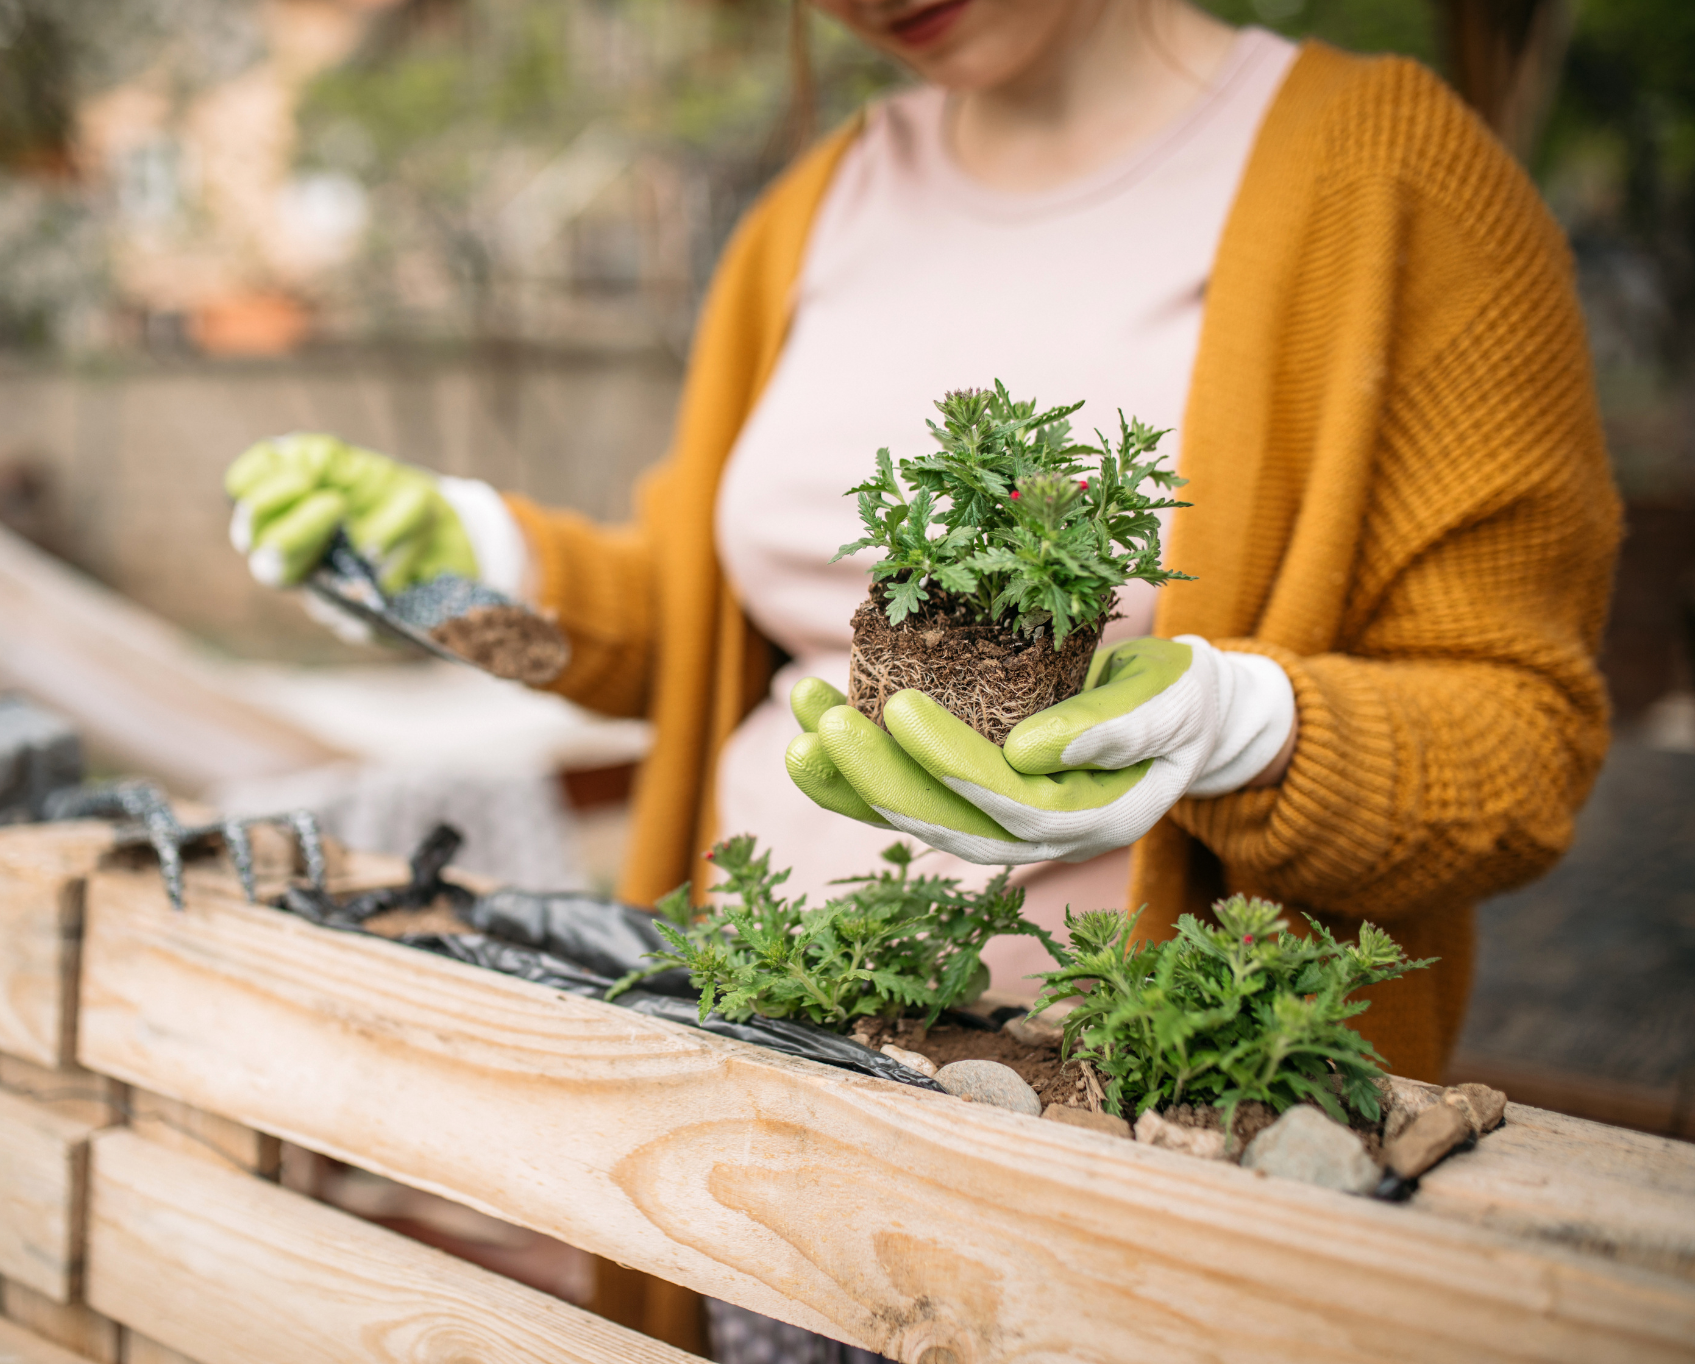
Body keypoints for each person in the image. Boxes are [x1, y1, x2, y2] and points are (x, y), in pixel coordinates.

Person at [227, 0, 1616, 1175]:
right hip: (755, 1102)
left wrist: (1243, 732)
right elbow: (699, 639)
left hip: (1147, 1160)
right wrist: (465, 574)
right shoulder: (815, 208)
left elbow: (1522, 754)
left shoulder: (1390, 176)